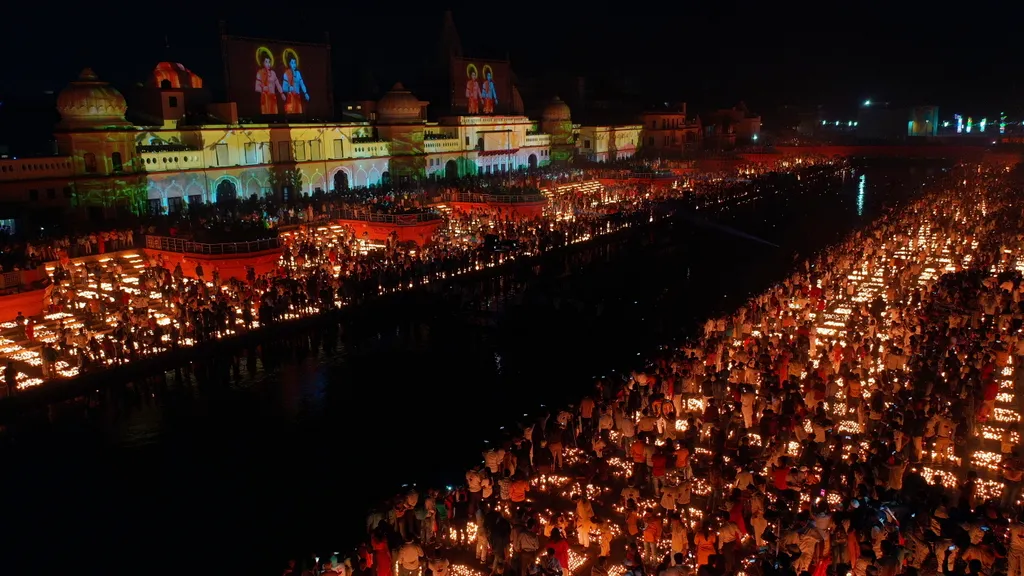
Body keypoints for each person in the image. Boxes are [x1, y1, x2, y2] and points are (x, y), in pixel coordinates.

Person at [254, 49, 284, 114]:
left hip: (273, 98)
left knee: (275, 115)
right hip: (265, 99)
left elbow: (278, 84)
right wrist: (263, 88)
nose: (268, 64)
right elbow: (256, 88)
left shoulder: (273, 73)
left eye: (269, 62)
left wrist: (281, 93)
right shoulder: (260, 73)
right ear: (262, 63)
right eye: (266, 62)